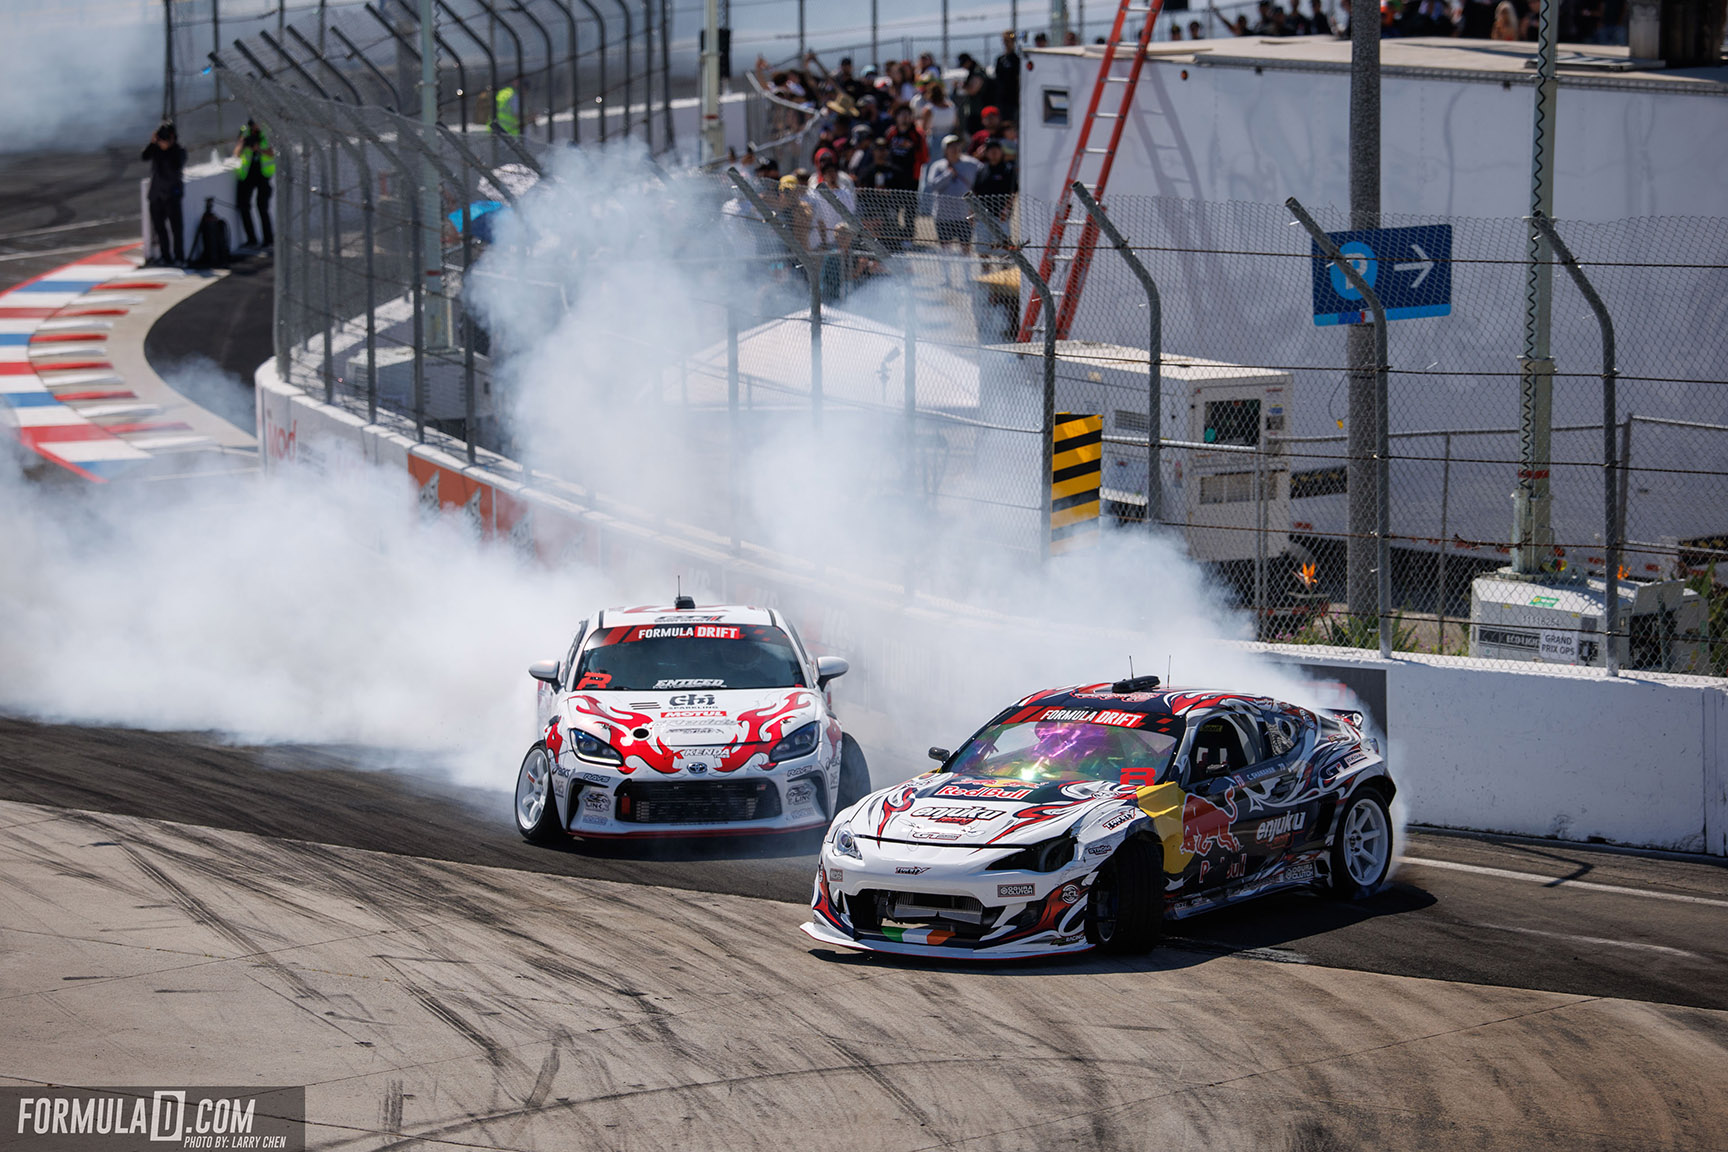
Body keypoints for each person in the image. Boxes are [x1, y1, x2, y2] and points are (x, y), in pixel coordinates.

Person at [919, 134, 983, 284]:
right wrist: (948, 174)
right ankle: (946, 277)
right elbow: (933, 186)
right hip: (943, 215)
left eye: (957, 146)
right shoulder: (938, 166)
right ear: (945, 150)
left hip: (964, 215)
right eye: (951, 146)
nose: (955, 149)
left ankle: (967, 277)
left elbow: (982, 176)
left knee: (966, 247)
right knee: (945, 247)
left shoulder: (971, 164)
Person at [141, 122, 186, 266]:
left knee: (176, 228)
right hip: (157, 195)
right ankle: (165, 256)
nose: (162, 143)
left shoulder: (178, 151)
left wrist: (169, 147)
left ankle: (179, 257)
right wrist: (152, 142)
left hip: (172, 194)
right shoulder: (156, 149)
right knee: (160, 228)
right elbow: (144, 156)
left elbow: (177, 164)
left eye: (164, 140)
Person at [232, 118, 274, 251]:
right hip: (247, 175)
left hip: (263, 175)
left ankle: (268, 240)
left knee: (262, 207)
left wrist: (259, 149)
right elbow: (236, 153)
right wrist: (243, 144)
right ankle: (251, 239)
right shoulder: (244, 132)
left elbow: (273, 153)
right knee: (244, 205)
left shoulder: (268, 132)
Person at [991, 30, 1021, 119]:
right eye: (1005, 41)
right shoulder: (1000, 59)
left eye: (1009, 41)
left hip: (1012, 99)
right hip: (1001, 98)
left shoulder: (1016, 60)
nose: (1006, 43)